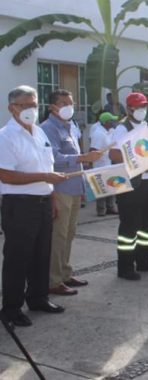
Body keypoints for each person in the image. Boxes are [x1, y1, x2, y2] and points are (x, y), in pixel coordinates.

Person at [0, 85, 68, 327]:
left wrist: (51, 198)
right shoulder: (5, 136)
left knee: (41, 254)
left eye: (34, 105)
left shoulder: (39, 133)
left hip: (42, 202)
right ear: (12, 108)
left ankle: (38, 298)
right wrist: (44, 179)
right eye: (25, 105)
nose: (31, 109)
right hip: (19, 205)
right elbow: (6, 175)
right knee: (18, 258)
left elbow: (47, 168)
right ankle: (11, 308)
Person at [40, 90, 103, 296]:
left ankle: (65, 273)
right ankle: (53, 280)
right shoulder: (47, 129)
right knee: (58, 235)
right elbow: (54, 158)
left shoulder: (72, 126)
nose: (69, 106)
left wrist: (82, 186)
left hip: (74, 187)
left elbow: (77, 157)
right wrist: (83, 157)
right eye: (64, 103)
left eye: (71, 102)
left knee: (69, 233)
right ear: (52, 107)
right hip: (60, 189)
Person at [109, 92, 148, 280]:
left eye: (144, 107)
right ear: (129, 108)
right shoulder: (122, 129)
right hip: (132, 184)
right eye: (138, 107)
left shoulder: (144, 127)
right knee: (129, 226)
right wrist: (142, 163)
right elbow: (114, 155)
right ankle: (125, 267)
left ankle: (144, 260)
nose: (142, 110)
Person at [90, 112, 119, 216]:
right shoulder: (98, 133)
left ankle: (110, 207)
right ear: (106, 122)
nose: (114, 122)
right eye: (112, 120)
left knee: (111, 187)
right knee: (101, 188)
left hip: (109, 163)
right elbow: (93, 150)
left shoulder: (109, 131)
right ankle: (101, 209)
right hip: (100, 165)